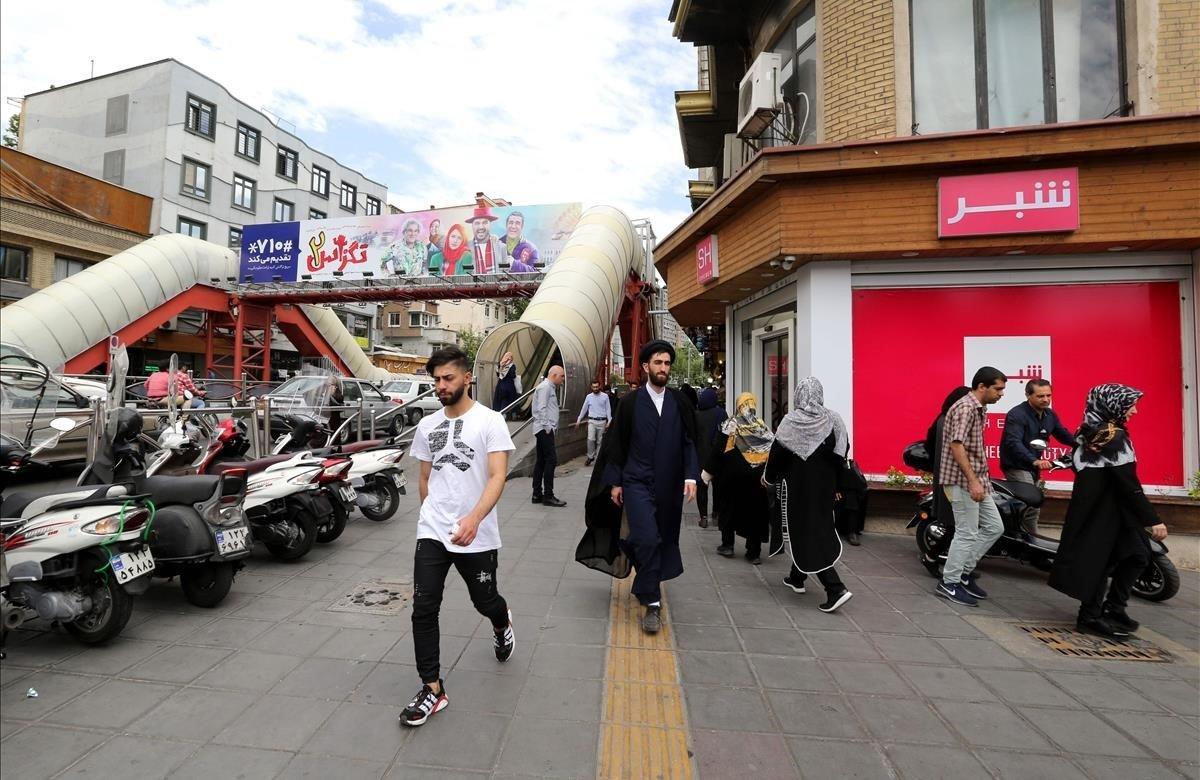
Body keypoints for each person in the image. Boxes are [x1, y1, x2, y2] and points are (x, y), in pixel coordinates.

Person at [400, 347, 517, 727]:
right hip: (433, 530)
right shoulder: (427, 425)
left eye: (447, 378)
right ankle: (432, 689)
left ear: (467, 378)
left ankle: (501, 623)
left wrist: (473, 519)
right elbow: (423, 476)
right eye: (436, 380)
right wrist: (430, 516)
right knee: (423, 608)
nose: (440, 386)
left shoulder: (490, 421)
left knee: (486, 602)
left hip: (476, 535)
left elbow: (498, 475)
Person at [579, 340, 699, 634]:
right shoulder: (630, 403)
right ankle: (652, 601)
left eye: (667, 363)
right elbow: (616, 445)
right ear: (646, 367)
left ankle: (638, 566)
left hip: (670, 485)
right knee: (646, 539)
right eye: (658, 363)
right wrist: (615, 482)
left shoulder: (679, 402)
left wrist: (691, 476)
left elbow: (689, 442)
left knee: (662, 538)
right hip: (636, 482)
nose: (663, 368)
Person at [1049, 384, 1168, 639]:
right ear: (1113, 406)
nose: (1134, 411)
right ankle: (1089, 617)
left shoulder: (1094, 430)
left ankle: (1114, 609)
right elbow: (1128, 484)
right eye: (1130, 406)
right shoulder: (1111, 437)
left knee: (1137, 555)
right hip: (1102, 512)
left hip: (1114, 510)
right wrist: (1153, 519)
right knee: (1100, 563)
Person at [765, 378, 854, 613]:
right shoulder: (834, 419)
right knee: (815, 526)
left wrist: (769, 478)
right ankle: (797, 578)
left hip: (799, 488)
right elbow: (841, 453)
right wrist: (835, 483)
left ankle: (835, 588)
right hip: (825, 488)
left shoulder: (791, 421)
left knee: (807, 532)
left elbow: (777, 454)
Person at [936, 366, 1007, 607]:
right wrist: (973, 480)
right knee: (967, 532)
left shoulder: (978, 407)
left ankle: (964, 573)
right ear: (982, 387)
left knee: (994, 527)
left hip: (975, 480)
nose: (1001, 394)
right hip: (963, 481)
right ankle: (950, 582)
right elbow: (957, 446)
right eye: (998, 389)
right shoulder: (966, 408)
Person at [1001, 379, 1075, 535]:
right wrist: (1034, 460)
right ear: (1028, 395)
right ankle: (1028, 540)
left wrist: (1083, 445)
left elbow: (1062, 434)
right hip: (1017, 466)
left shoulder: (1050, 415)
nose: (1046, 399)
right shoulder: (1017, 414)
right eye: (1040, 396)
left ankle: (1027, 539)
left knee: (1029, 505)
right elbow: (1013, 442)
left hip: (1033, 468)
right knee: (1031, 504)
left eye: (1048, 395)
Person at [707, 392, 772, 563]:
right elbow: (771, 450)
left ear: (738, 405)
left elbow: (718, 449)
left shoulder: (730, 424)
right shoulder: (761, 426)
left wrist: (708, 472)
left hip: (731, 477)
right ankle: (754, 552)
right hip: (756, 478)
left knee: (728, 508)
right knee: (755, 513)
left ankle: (727, 545)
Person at [531, 365, 567, 507]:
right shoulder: (545, 387)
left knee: (541, 461)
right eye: (562, 376)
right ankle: (548, 495)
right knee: (551, 460)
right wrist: (547, 427)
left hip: (543, 429)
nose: (563, 379)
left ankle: (537, 494)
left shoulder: (549, 387)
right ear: (554, 375)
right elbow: (541, 408)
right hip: (544, 429)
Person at [693, 386, 727, 528]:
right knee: (718, 486)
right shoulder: (721, 413)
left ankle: (703, 517)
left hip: (701, 456)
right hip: (718, 456)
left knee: (702, 487)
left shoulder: (696, 415)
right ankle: (716, 513)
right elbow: (726, 434)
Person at [573, 380, 612, 465]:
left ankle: (598, 458)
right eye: (594, 387)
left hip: (602, 421)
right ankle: (590, 456)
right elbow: (584, 409)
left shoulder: (605, 396)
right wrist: (579, 420)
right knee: (590, 439)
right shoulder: (589, 397)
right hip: (592, 421)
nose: (595, 388)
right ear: (591, 387)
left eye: (597, 387)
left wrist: (609, 420)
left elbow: (608, 409)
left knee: (600, 441)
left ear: (599, 386)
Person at [467, 206, 505, 274]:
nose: (481, 227)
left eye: (485, 222)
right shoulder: (466, 248)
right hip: (474, 284)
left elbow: (506, 271)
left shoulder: (501, 247)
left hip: (497, 284)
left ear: (490, 225)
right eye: (477, 223)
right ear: (472, 226)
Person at [493, 352, 520, 417]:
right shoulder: (512, 365)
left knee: (501, 399)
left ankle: (501, 413)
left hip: (501, 385)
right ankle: (510, 414)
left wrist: (502, 367)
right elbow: (513, 376)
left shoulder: (500, 364)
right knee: (511, 399)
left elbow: (498, 375)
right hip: (509, 385)